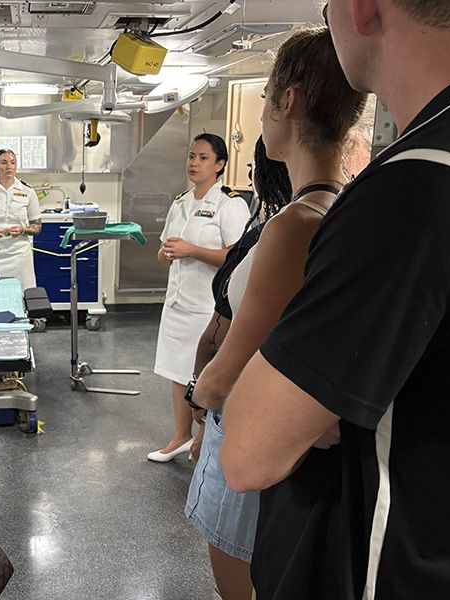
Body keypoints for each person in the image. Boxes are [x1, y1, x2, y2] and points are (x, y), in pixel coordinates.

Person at [219, 1, 450, 598]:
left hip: (392, 565)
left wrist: (319, 412)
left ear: (364, 8)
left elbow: (250, 451)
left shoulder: (420, 186)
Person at [191, 29, 368, 600]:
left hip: (251, 430)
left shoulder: (294, 225)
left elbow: (227, 374)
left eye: (267, 96)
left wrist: (200, 398)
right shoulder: (343, 209)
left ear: (286, 102)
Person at [184, 136, 293, 600]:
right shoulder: (264, 225)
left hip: (237, 405)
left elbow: (239, 341)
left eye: (253, 167)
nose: (250, 176)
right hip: (225, 405)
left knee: (233, 547)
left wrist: (204, 397)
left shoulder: (289, 230)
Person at [149, 133, 250, 462]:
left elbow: (237, 257)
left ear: (220, 164)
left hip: (207, 308)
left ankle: (210, 443)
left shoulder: (229, 204)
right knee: (176, 371)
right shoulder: (180, 203)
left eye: (203, 157)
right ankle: (180, 436)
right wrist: (167, 253)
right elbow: (163, 254)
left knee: (203, 376)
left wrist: (191, 250)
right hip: (177, 302)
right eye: (191, 156)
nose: (194, 162)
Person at [0, 149, 41, 290]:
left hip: (19, 254)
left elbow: (37, 226)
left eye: (12, 162)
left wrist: (22, 229)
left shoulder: (28, 191)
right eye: (4, 163)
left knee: (21, 293)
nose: (9, 166)